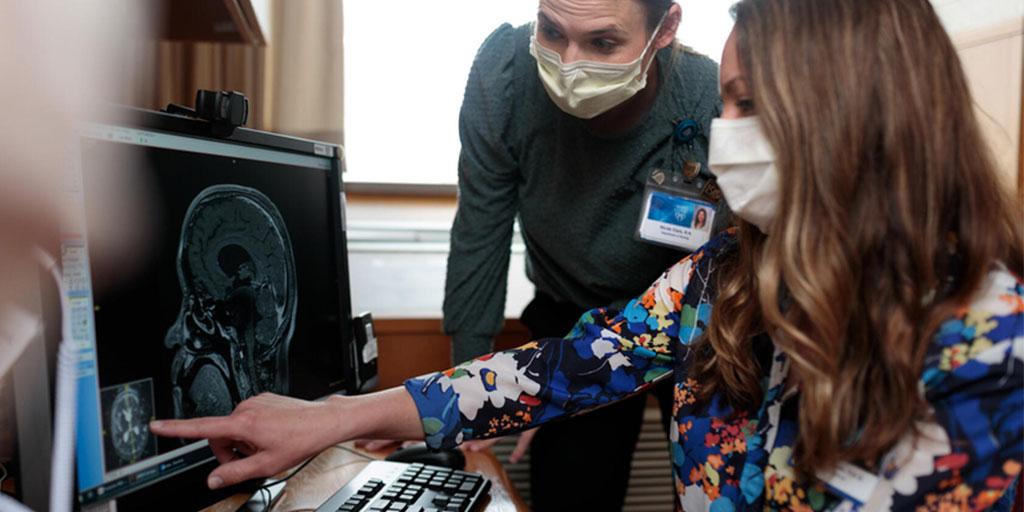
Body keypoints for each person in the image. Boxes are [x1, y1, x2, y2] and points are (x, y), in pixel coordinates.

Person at [152, 0, 1024, 509]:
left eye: (753, 106)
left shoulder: (986, 357)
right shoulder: (733, 274)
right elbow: (568, 365)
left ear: (859, 122)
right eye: (727, 106)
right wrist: (335, 416)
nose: (727, 138)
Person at [438, 0, 723, 508]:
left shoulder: (713, 97)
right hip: (572, 314)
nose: (569, 64)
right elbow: (481, 227)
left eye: (602, 43)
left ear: (665, 30)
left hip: (693, 320)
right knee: (572, 489)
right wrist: (465, 385)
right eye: (552, 31)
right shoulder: (505, 73)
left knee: (710, 490)